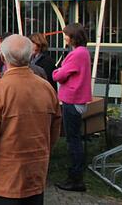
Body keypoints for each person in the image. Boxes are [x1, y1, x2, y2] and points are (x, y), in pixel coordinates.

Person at [0, 35, 61, 204]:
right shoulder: (46, 88)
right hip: (34, 176)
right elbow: (54, 131)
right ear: (31, 55)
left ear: (2, 57)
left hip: (2, 182)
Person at [52, 22, 93, 192]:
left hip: (72, 100)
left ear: (73, 37)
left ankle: (76, 178)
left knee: (73, 140)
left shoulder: (76, 54)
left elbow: (59, 75)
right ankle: (76, 175)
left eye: (66, 35)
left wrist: (56, 71)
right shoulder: (83, 52)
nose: (65, 38)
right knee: (75, 139)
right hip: (77, 100)